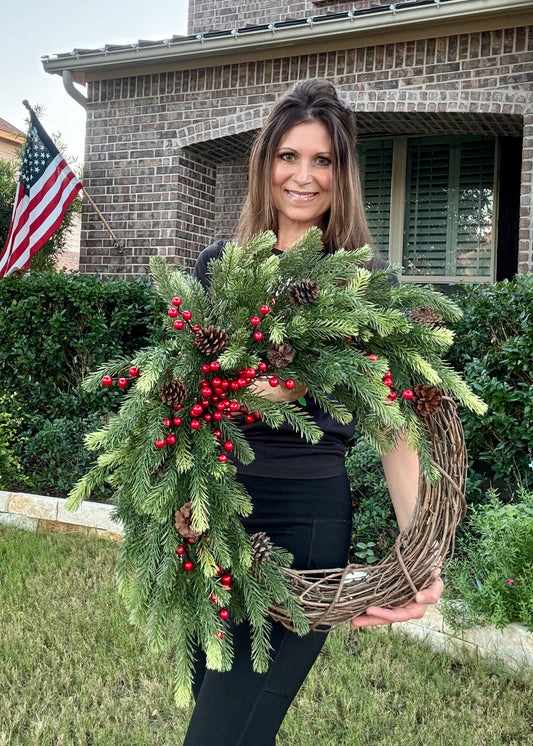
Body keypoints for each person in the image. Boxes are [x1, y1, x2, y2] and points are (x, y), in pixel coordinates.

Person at [184, 78, 443, 745]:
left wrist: (418, 549)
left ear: (342, 173)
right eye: (288, 156)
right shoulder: (220, 265)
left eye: (322, 160)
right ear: (264, 163)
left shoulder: (364, 282)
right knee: (226, 720)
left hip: (303, 522)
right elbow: (187, 396)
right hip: (211, 519)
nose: (303, 176)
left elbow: (393, 425)